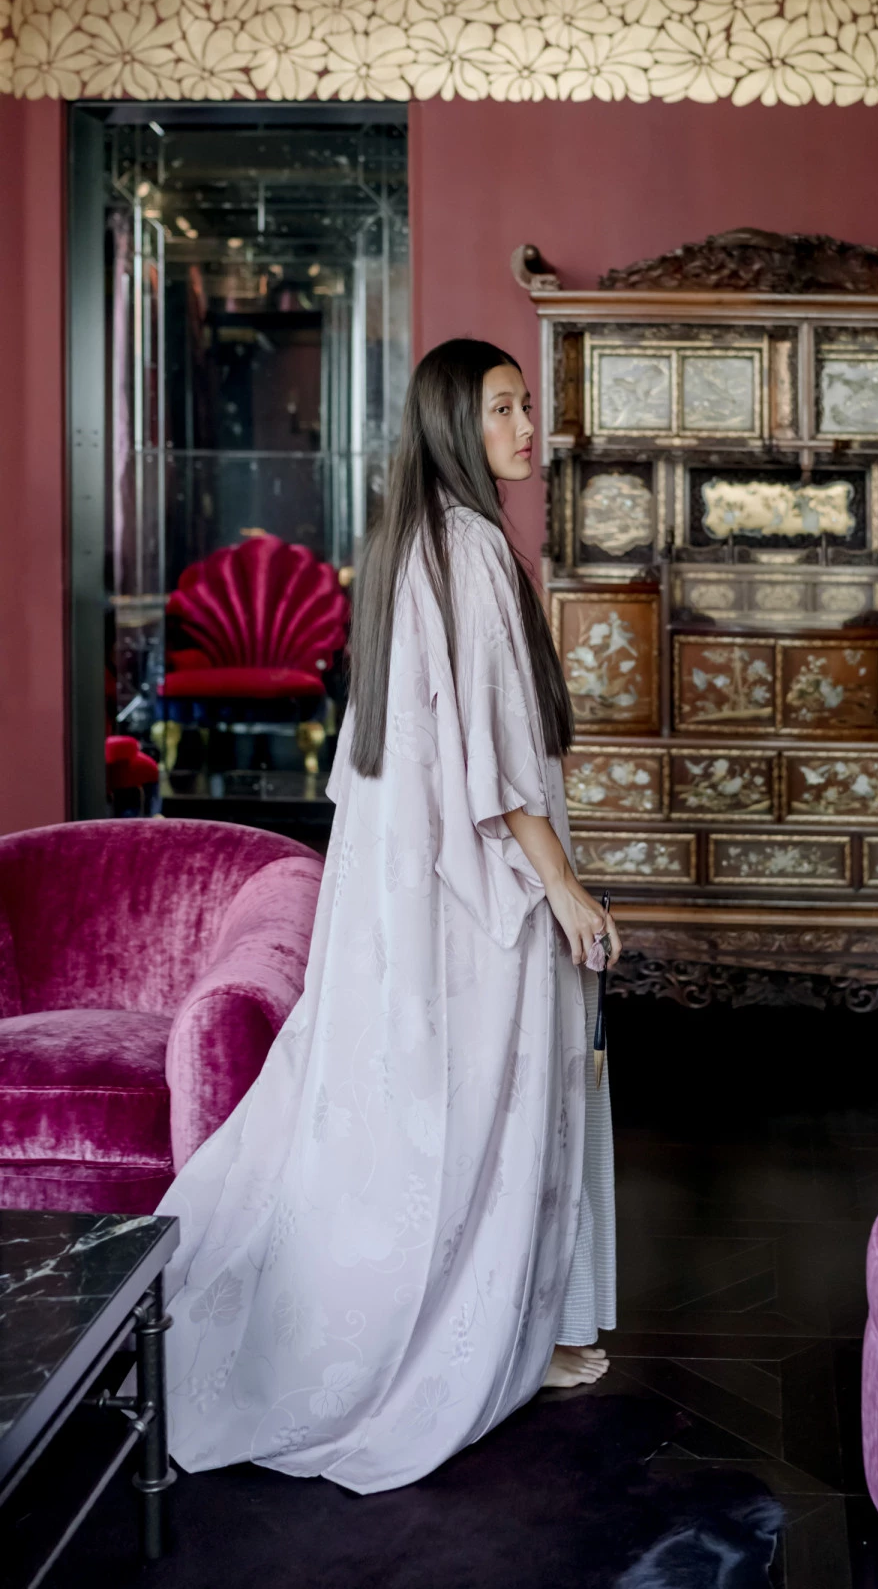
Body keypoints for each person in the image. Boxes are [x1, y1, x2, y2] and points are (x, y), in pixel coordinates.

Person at [156, 338, 620, 1494]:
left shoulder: (414, 543)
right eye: (504, 408)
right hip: (478, 882)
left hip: (416, 881)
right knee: (498, 1105)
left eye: (526, 405)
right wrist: (563, 886)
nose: (528, 427)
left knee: (433, 1107)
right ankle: (502, 1338)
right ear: (457, 424)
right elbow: (497, 762)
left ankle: (524, 1331)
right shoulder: (470, 549)